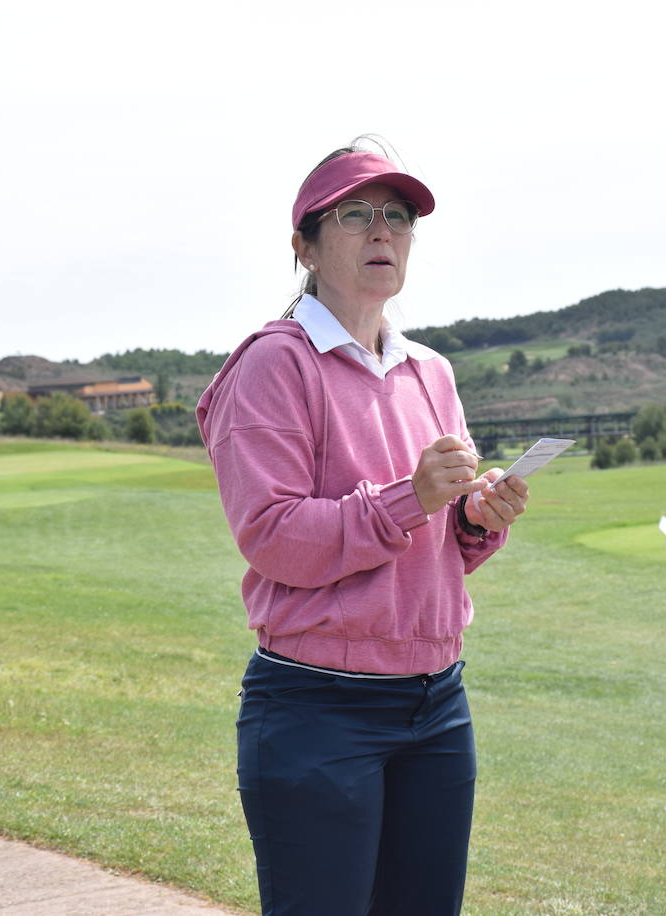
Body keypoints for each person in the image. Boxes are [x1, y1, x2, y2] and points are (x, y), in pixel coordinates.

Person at [196, 139, 530, 916]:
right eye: (357, 215)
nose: (383, 232)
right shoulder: (274, 364)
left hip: (438, 703)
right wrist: (409, 499)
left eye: (399, 217)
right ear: (304, 245)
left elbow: (433, 539)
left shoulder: (431, 373)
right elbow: (272, 534)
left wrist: (476, 520)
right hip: (318, 711)